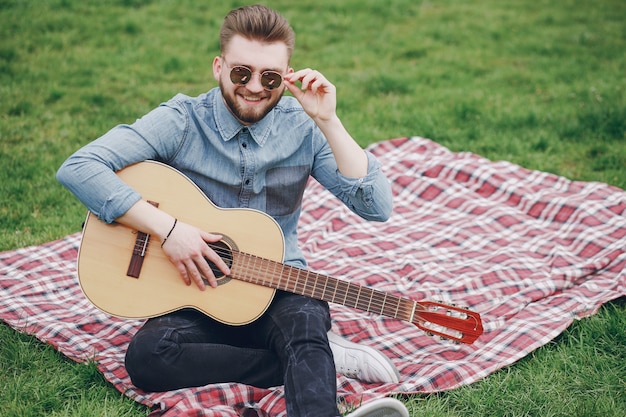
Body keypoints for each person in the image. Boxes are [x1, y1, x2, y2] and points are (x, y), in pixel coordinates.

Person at [57, 5, 408, 417]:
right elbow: (79, 167)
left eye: (271, 77)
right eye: (242, 73)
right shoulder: (182, 120)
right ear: (219, 67)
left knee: (304, 322)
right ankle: (306, 362)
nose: (255, 87)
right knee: (148, 357)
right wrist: (169, 230)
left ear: (287, 76)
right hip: (191, 292)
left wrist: (329, 121)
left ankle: (308, 362)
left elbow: (377, 206)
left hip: (278, 283)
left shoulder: (303, 128)